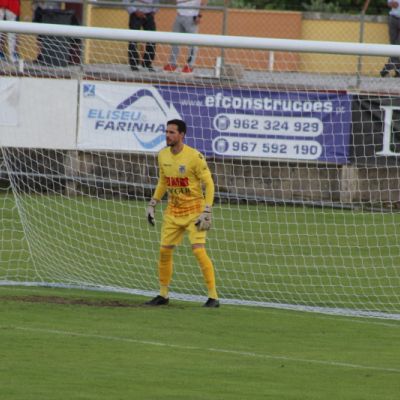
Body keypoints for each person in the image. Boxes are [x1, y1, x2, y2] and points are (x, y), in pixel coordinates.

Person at [145, 119, 219, 308]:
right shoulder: (162, 155)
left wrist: (207, 210)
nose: (167, 135)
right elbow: (163, 182)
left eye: (172, 132)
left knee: (198, 250)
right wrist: (153, 204)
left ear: (182, 135)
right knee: (164, 251)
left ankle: (213, 297)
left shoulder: (194, 156)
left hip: (195, 212)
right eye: (166, 132)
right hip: (173, 211)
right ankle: (163, 294)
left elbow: (209, 183)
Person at [163, 0, 207, 74]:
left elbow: (204, 2)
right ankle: (172, 64)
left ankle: (189, 66)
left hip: (191, 17)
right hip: (179, 15)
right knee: (174, 40)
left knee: (192, 43)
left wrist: (199, 15)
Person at [125, 0, 157, 72]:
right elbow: (126, 1)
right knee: (133, 40)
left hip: (149, 15)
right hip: (135, 15)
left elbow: (156, 2)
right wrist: (135, 11)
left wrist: (154, 11)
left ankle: (147, 63)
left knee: (152, 39)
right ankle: (134, 64)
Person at [380, 1, 400, 77]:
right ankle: (398, 70)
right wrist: (393, 4)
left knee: (397, 45)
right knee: (393, 45)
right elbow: (390, 3)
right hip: (393, 19)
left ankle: (386, 69)